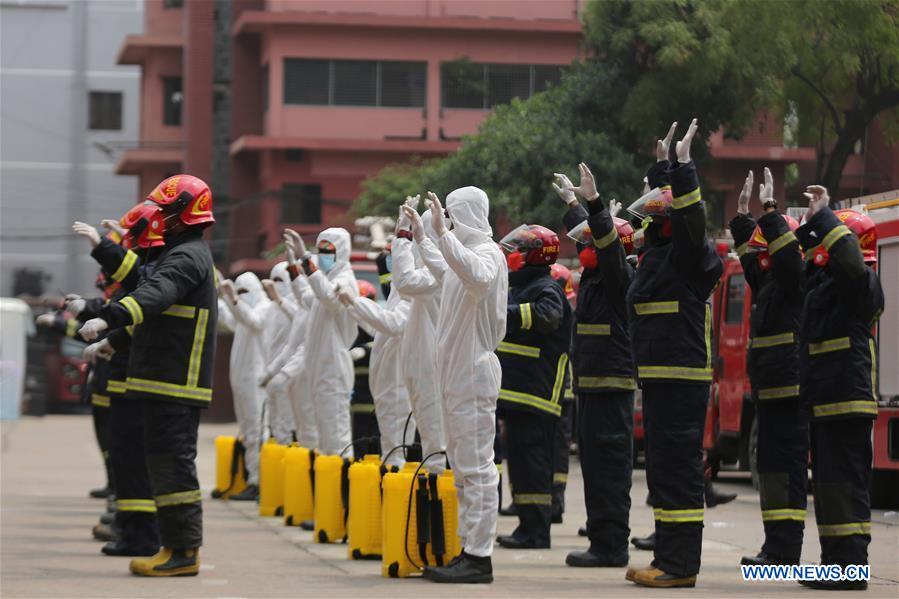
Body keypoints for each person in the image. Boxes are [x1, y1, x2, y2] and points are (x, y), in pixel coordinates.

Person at [79, 174, 217, 577]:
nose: (160, 216)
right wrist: (115, 342)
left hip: (176, 381)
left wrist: (109, 318)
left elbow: (154, 296)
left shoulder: (188, 256)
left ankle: (184, 551)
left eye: (167, 210)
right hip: (163, 378)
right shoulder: (181, 253)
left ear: (186, 213)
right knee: (162, 463)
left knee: (174, 466)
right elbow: (155, 311)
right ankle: (173, 546)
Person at [624, 120, 723, 588]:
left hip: (681, 378)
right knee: (663, 470)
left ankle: (681, 565)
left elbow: (689, 219)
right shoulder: (657, 258)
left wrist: (683, 169)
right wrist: (663, 167)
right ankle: (667, 557)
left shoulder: (688, 253)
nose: (644, 226)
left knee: (679, 470)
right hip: (661, 377)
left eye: (650, 220)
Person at [403, 188, 507, 584]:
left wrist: (442, 236)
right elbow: (446, 271)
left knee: (478, 467)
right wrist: (423, 237)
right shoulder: (463, 259)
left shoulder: (488, 256)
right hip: (455, 374)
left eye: (448, 214)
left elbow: (475, 275)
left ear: (463, 215)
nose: (444, 218)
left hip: (473, 374)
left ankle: (480, 556)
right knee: (462, 467)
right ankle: (468, 549)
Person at [794, 187, 883, 591]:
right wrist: (811, 223)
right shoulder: (828, 281)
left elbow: (846, 261)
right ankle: (835, 563)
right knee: (830, 488)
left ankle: (851, 566)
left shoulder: (860, 281)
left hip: (846, 402)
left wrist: (827, 218)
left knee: (845, 485)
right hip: (827, 401)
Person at [554, 162, 638, 569]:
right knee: (595, 466)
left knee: (608, 468)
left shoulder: (618, 275)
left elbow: (606, 245)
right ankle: (602, 538)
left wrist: (595, 202)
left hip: (610, 387)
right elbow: (594, 239)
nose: (580, 247)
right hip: (592, 385)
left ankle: (611, 545)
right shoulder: (594, 277)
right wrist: (574, 205)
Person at [729, 168, 807, 567]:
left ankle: (786, 550)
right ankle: (775, 548)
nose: (762, 257)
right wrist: (744, 218)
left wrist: (771, 209)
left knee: (787, 473)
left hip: (790, 392)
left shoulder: (796, 282)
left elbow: (786, 260)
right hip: (770, 391)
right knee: (771, 471)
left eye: (769, 249)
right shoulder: (771, 284)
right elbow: (750, 262)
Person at [80, 203, 168, 557]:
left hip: (141, 382)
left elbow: (135, 299)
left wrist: (107, 245)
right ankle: (133, 531)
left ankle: (145, 535)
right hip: (125, 381)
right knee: (124, 460)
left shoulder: (173, 266)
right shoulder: (156, 266)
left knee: (138, 463)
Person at [493, 224, 572, 550]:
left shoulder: (546, 288)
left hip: (537, 395)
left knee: (535, 466)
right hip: (519, 395)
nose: (511, 255)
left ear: (534, 255)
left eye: (518, 250)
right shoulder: (522, 287)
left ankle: (537, 532)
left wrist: (503, 313)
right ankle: (527, 527)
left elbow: (548, 317)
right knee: (523, 466)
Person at [283, 228, 358, 457]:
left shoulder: (345, 281)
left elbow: (330, 299)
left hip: (333, 370)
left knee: (336, 437)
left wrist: (306, 261)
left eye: (328, 250)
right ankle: (328, 488)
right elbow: (307, 297)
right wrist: (294, 268)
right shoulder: (325, 282)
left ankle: (341, 489)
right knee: (325, 439)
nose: (322, 254)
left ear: (342, 251)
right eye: (320, 250)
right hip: (320, 369)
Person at [338, 261, 414, 468]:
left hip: (393, 387)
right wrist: (352, 306)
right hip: (375, 389)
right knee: (383, 444)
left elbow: (388, 326)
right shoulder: (395, 299)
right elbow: (377, 331)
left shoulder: (409, 301)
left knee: (396, 445)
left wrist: (355, 304)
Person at [391, 196, 447, 472]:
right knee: (431, 440)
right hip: (423, 366)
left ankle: (442, 510)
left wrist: (402, 236)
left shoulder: (437, 275)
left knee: (437, 446)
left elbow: (403, 281)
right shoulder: (433, 272)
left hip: (433, 368)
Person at [218, 272, 267, 501]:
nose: (241, 297)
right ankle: (252, 479)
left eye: (245, 292)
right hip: (242, 382)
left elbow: (253, 321)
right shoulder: (242, 314)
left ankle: (260, 481)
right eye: (239, 292)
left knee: (258, 431)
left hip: (256, 382)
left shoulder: (264, 309)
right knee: (248, 432)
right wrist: (220, 293)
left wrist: (233, 299)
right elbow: (229, 317)